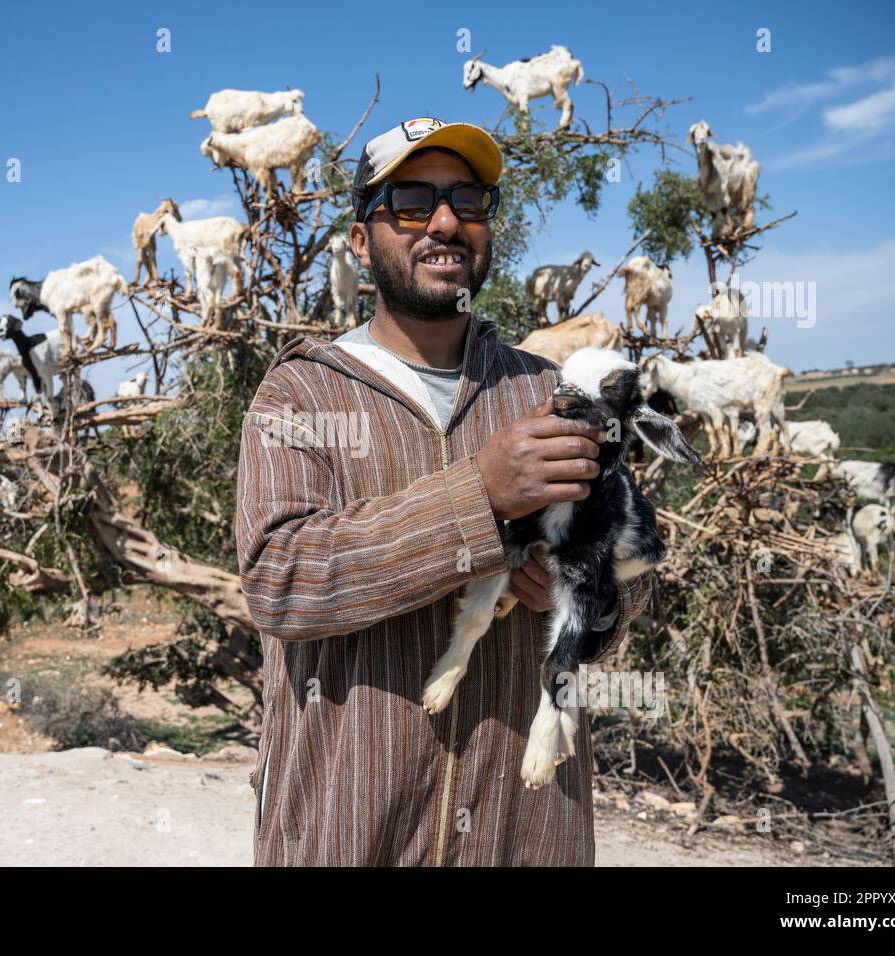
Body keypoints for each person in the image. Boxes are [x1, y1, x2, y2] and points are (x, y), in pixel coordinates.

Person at [234, 117, 653, 865]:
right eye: (409, 201)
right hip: (351, 832)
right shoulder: (299, 395)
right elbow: (279, 582)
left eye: (468, 199)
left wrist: (569, 588)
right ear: (361, 242)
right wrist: (479, 498)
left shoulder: (552, 392)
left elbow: (628, 572)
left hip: (523, 834)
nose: (445, 221)